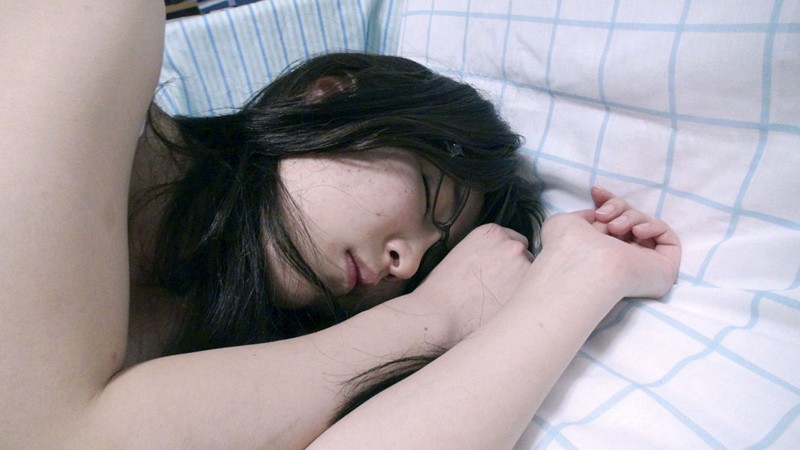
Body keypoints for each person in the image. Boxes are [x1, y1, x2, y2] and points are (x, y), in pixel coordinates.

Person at [0, 2, 680, 449]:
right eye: (431, 199)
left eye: (434, 261)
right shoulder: (92, 24)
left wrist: (575, 280)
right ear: (329, 96)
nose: (406, 267)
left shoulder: (230, 352)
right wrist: (434, 314)